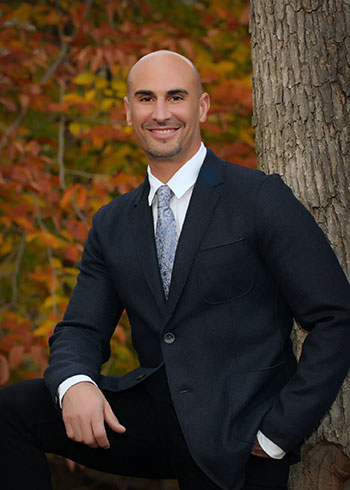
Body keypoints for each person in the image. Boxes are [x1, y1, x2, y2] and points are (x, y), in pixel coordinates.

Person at [1, 50, 350, 490]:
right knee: (13, 411)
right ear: (128, 111)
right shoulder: (112, 223)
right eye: (146, 98)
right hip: (158, 418)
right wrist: (75, 383)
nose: (161, 112)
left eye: (176, 97)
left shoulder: (259, 198)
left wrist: (277, 434)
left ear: (201, 107)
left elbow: (335, 316)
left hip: (241, 435)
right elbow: (80, 329)